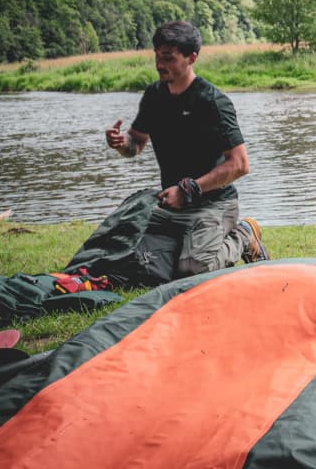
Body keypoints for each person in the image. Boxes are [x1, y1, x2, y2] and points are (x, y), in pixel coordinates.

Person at [105, 21, 268, 277]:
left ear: (191, 58)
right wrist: (121, 143)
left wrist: (187, 190)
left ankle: (244, 235)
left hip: (214, 205)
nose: (160, 64)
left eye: (168, 58)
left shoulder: (213, 102)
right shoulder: (154, 96)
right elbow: (136, 142)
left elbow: (239, 164)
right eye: (157, 56)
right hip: (170, 206)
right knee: (127, 258)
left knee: (192, 272)